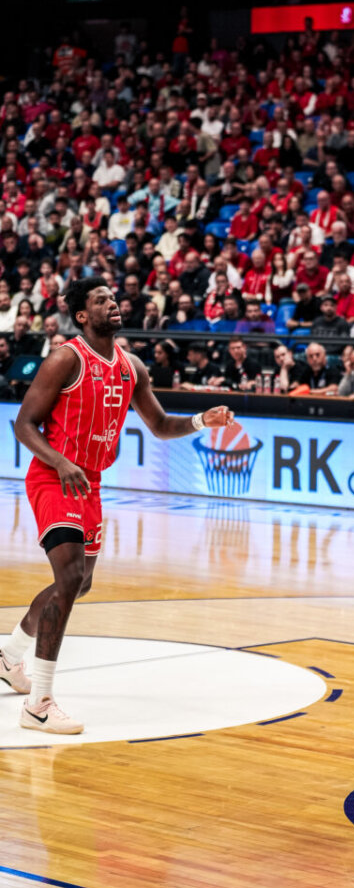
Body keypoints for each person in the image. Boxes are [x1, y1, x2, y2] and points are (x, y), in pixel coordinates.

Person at [1, 277, 233, 734]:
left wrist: (202, 421)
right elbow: (24, 424)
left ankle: (9, 653)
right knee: (67, 578)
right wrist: (60, 461)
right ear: (82, 315)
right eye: (101, 299)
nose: (113, 303)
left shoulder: (132, 368)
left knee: (80, 585)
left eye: (113, 297)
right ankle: (40, 702)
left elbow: (162, 425)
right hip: (53, 477)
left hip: (90, 482)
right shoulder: (65, 359)